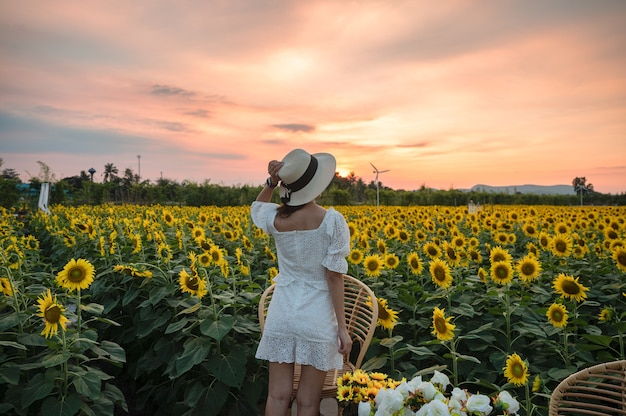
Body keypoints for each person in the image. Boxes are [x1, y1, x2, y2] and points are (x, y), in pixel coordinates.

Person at [251, 148, 353, 416]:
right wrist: (342, 328)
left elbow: (257, 208)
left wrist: (271, 182)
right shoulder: (332, 221)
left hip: (282, 310)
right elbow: (334, 276)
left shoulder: (276, 217)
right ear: (315, 186)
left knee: (277, 395)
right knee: (308, 402)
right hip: (316, 315)